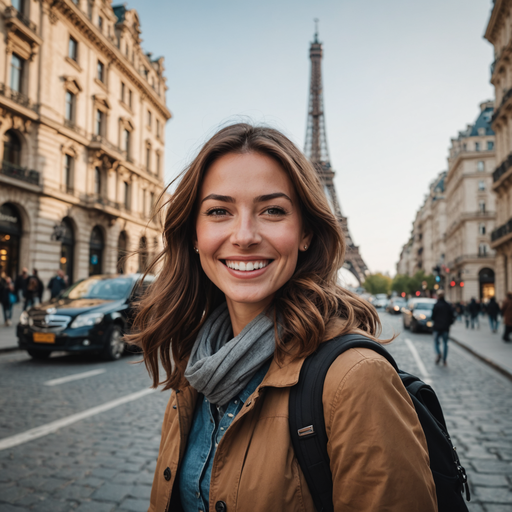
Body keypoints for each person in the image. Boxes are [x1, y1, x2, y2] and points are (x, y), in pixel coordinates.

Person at [129, 124, 437, 511]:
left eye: (272, 210)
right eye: (219, 211)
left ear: (305, 232)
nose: (244, 236)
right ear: (194, 233)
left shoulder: (357, 379)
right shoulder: (198, 365)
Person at [431, 292, 455, 366]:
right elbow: (452, 316)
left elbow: (432, 317)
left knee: (436, 342)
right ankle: (444, 360)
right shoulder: (447, 305)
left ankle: (438, 353)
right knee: (445, 343)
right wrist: (449, 323)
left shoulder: (436, 305)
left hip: (437, 327)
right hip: (445, 327)